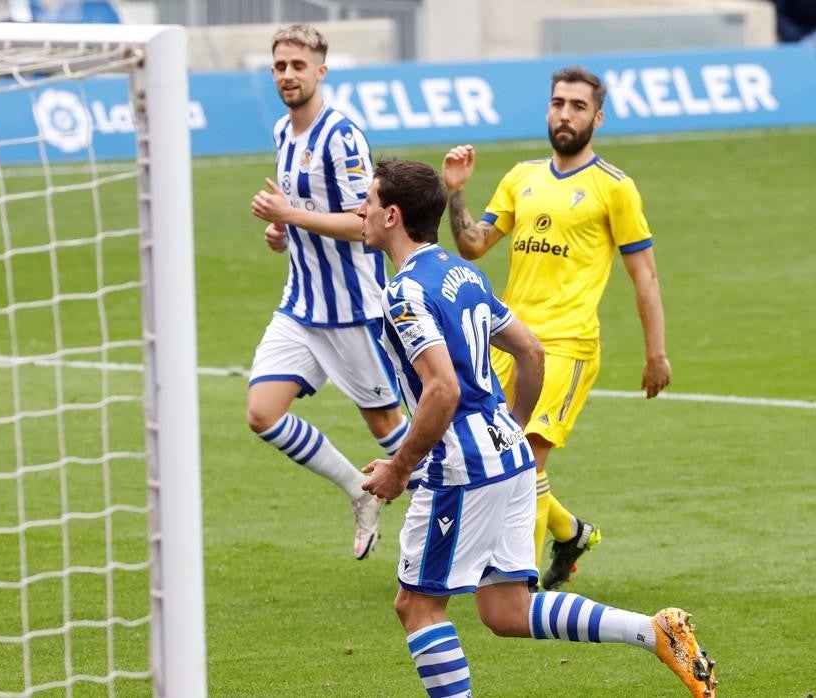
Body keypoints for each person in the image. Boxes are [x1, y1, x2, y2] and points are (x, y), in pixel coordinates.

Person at [357, 157, 717, 698]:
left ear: (391, 216)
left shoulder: (404, 293)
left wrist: (398, 468)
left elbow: (442, 389)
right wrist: (512, 425)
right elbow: (529, 349)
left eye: (368, 200)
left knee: (418, 607)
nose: (359, 210)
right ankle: (653, 631)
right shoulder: (460, 271)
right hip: (509, 454)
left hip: (462, 468)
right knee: (506, 610)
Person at [441, 65, 670, 590]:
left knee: (526, 455)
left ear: (598, 118)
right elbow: (473, 245)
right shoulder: (521, 177)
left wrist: (655, 354)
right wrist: (456, 192)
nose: (565, 115)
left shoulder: (615, 188)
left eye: (578, 106)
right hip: (508, 339)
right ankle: (569, 533)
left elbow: (646, 276)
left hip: (567, 344)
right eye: (558, 103)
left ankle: (511, 583)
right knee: (494, 449)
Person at [245, 24, 410, 560]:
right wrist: (283, 234)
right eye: (280, 66)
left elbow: (365, 220)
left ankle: (460, 515)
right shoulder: (281, 133)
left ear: (321, 70)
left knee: (390, 432)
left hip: (353, 309)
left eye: (298, 65)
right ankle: (358, 492)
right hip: (301, 305)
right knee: (262, 413)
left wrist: (290, 215)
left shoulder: (342, 136)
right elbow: (307, 219)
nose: (288, 75)